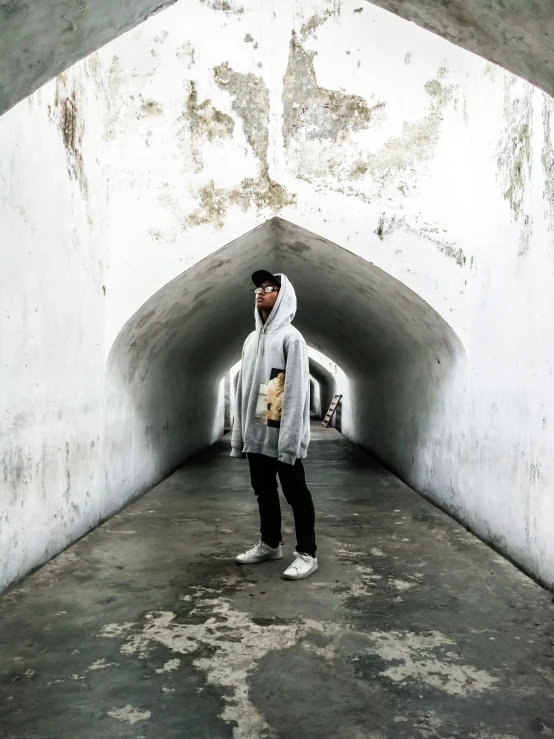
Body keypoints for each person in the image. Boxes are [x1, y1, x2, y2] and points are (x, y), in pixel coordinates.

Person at [231, 270, 317, 580]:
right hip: (257, 430)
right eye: (258, 287)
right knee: (263, 490)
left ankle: (307, 553)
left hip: (282, 432)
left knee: (296, 493)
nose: (261, 292)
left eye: (270, 288)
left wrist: (290, 440)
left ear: (283, 296)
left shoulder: (291, 338)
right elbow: (245, 388)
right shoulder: (252, 338)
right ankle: (270, 544)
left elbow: (294, 390)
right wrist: (241, 435)